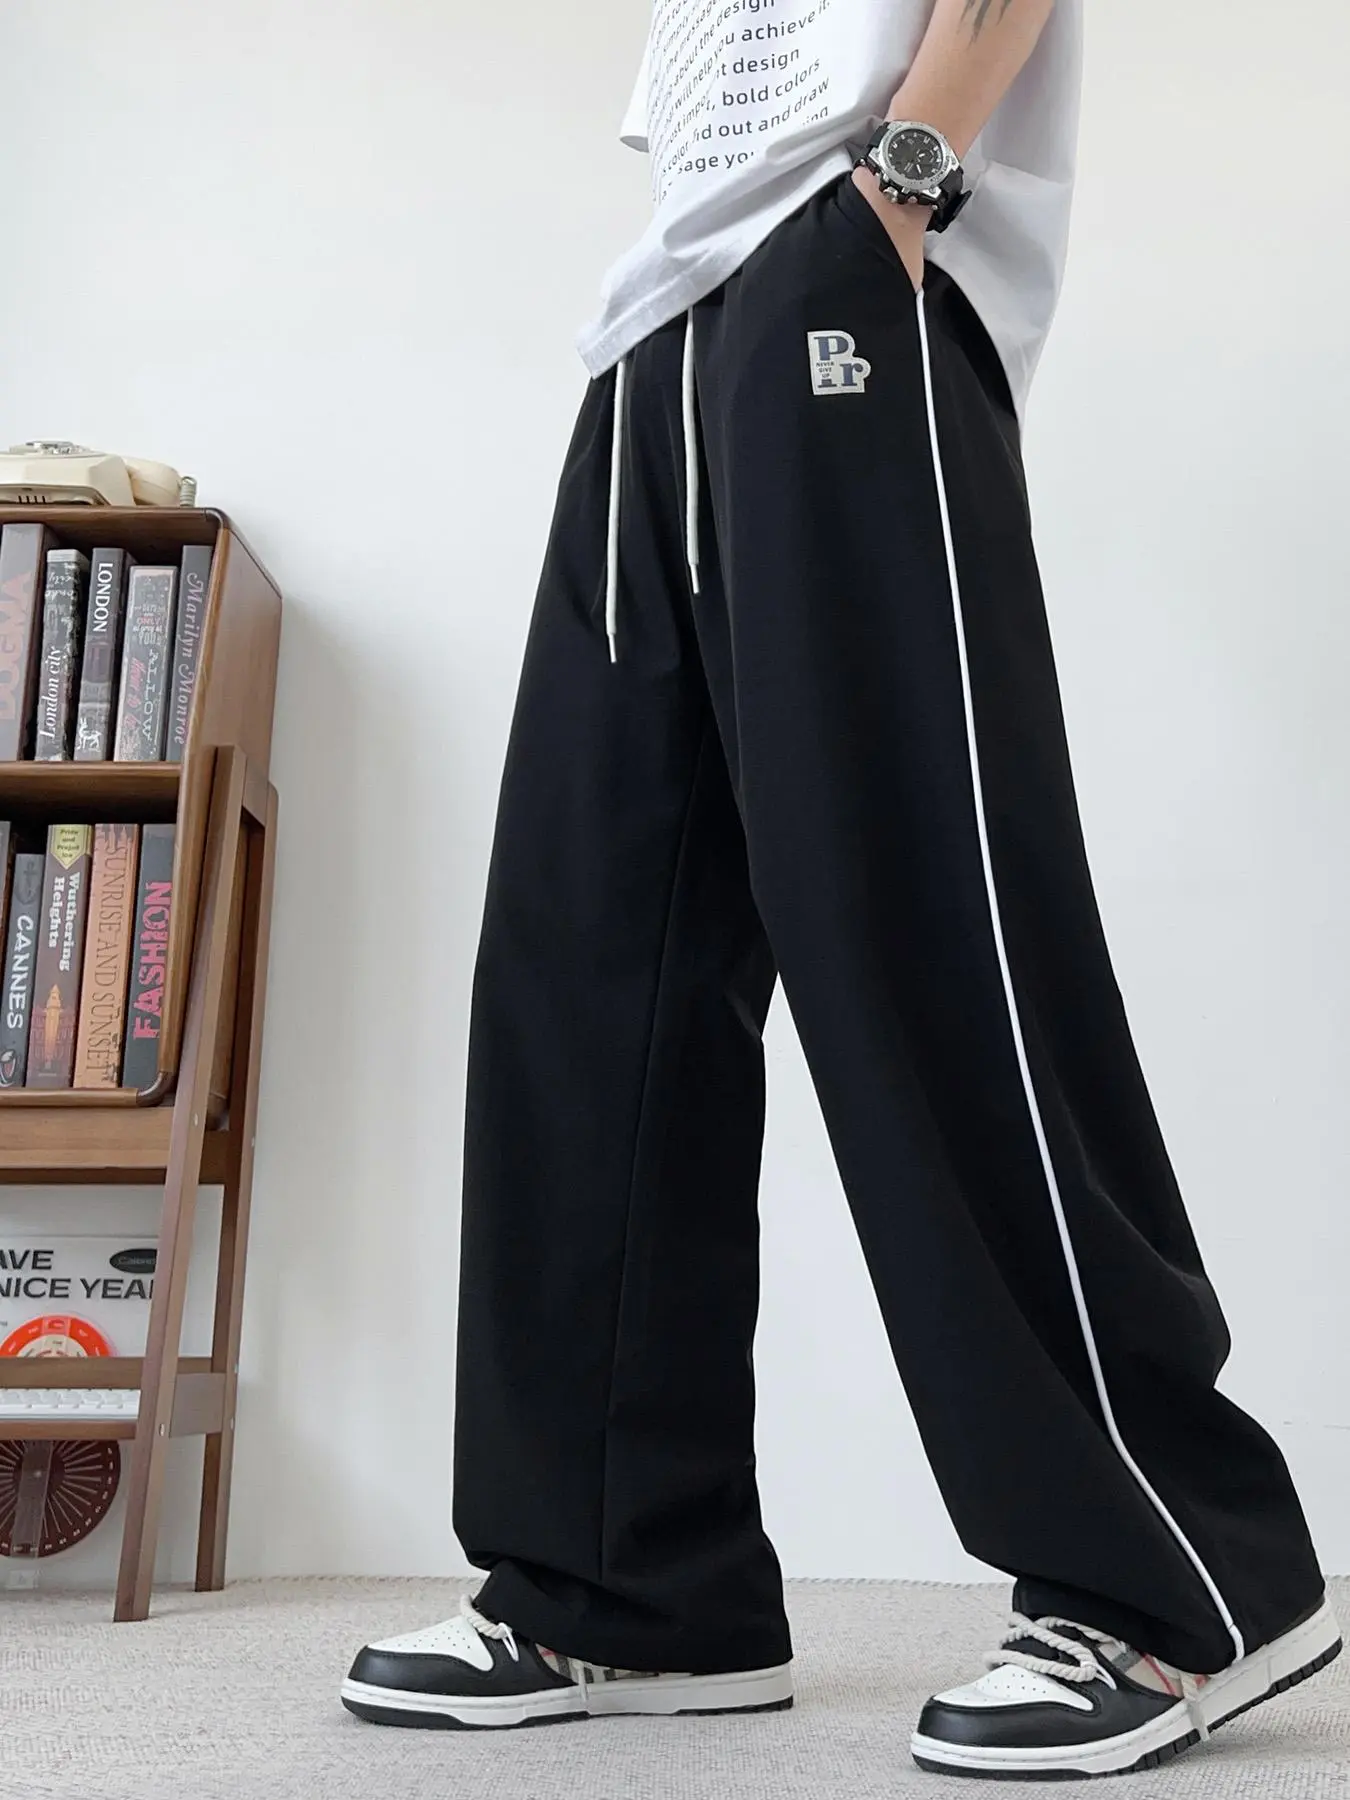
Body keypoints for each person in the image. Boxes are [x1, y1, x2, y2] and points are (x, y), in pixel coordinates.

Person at [340, 0, 1339, 1776]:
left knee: (921, 927)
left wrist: (903, 177)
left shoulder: (875, 220)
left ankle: (1175, 1570)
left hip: (846, 269)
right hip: (654, 335)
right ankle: (619, 1583)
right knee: (591, 956)